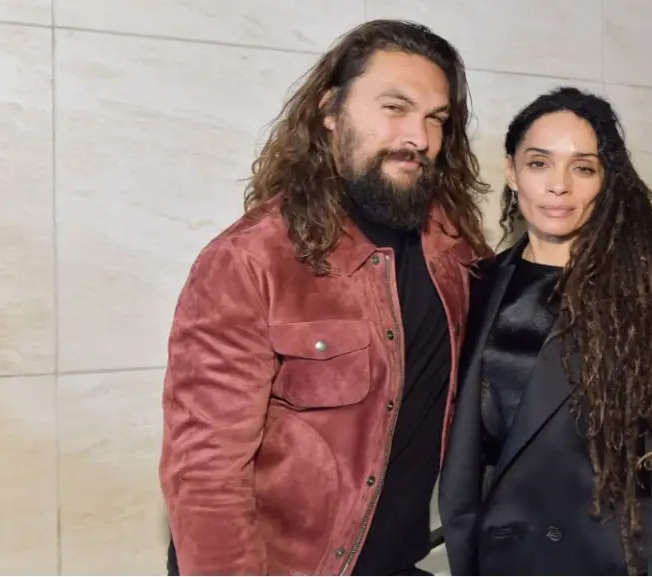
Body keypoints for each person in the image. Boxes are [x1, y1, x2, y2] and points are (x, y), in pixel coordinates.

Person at [159, 19, 492, 576]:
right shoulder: (250, 261)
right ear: (330, 111)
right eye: (394, 108)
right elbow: (205, 475)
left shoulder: (454, 253)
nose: (420, 138)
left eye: (437, 119)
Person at [437, 87, 652, 576]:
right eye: (540, 163)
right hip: (496, 558)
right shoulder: (473, 286)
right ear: (512, 170)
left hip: (605, 559)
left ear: (605, 181)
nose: (558, 186)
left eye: (583, 167)